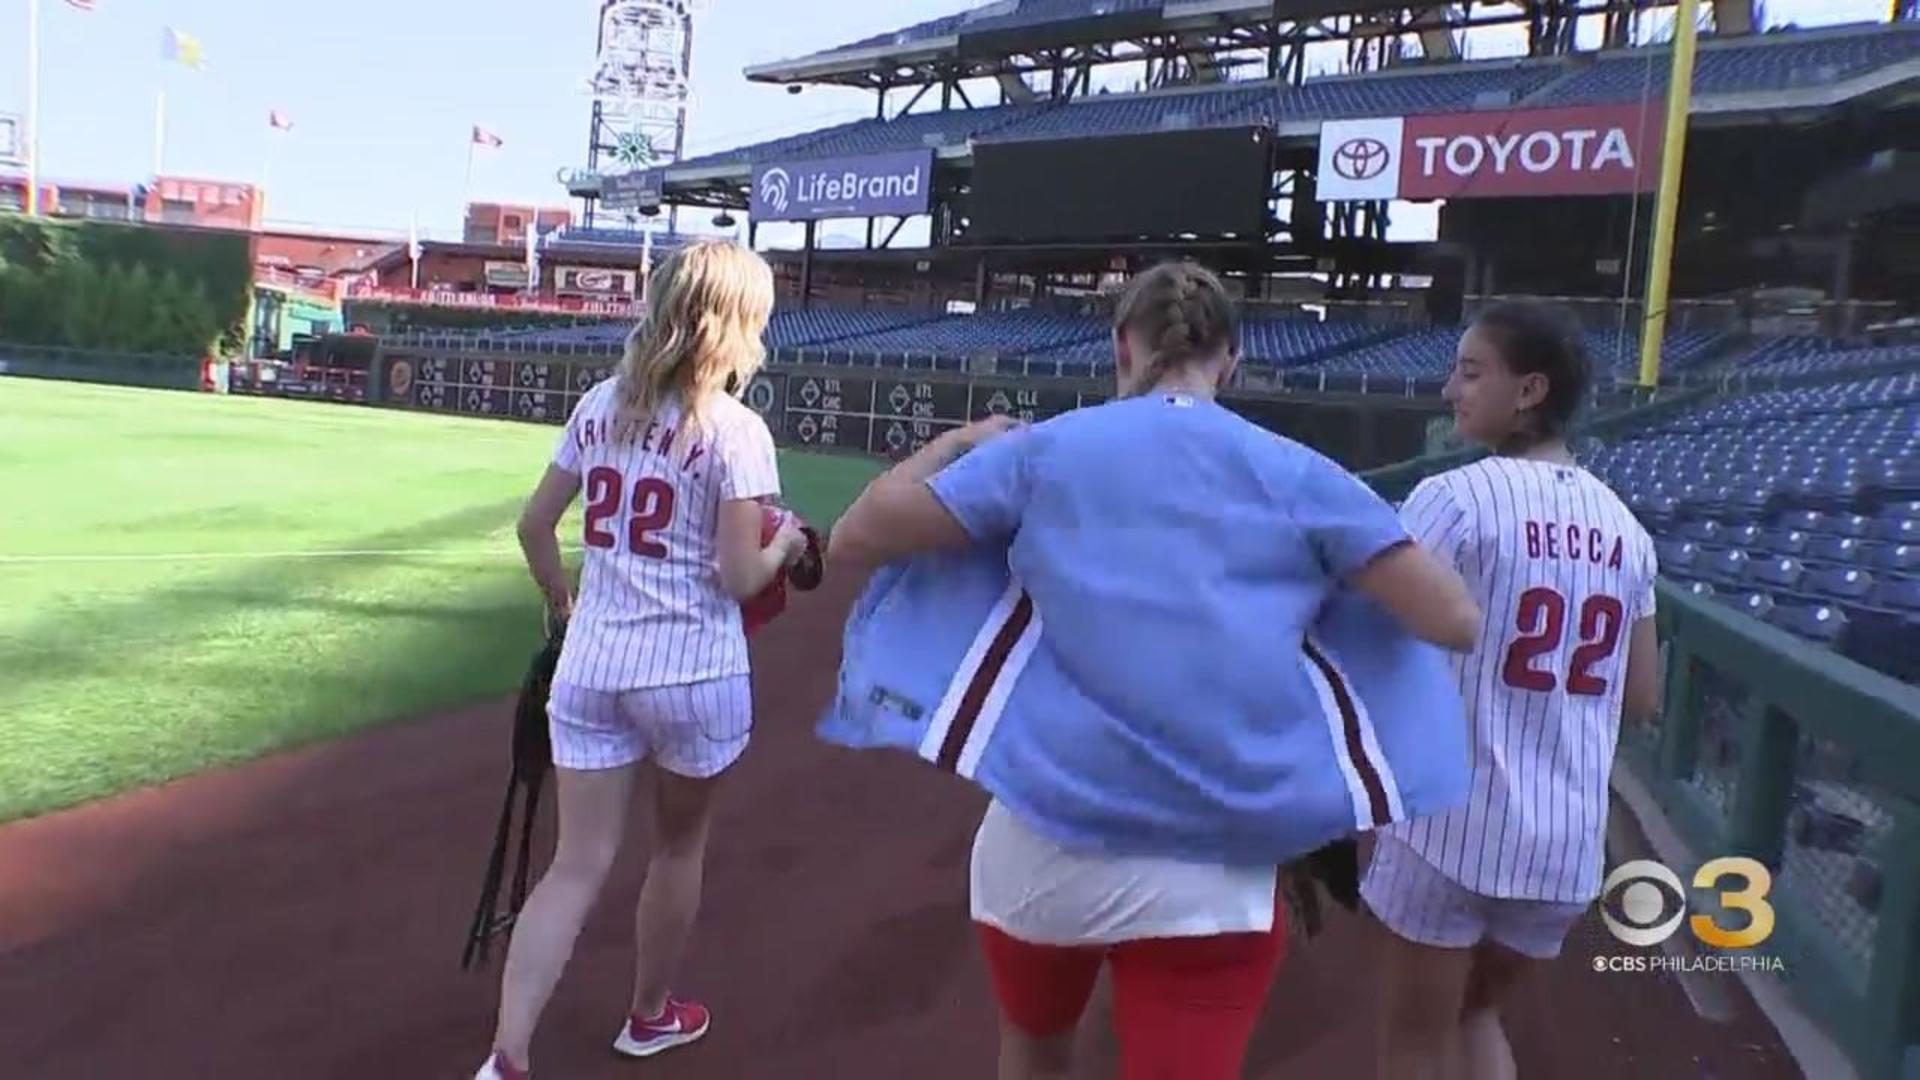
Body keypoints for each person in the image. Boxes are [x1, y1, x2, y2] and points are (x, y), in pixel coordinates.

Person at [826, 261, 1483, 1080]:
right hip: (1216, 863)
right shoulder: (1300, 472)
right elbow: (1452, 619)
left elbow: (854, 538)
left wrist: (957, 442)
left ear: (1121, 347)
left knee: (1033, 1055)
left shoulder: (1043, 452)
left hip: (1041, 846)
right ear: (1231, 359)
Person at [473, 239, 809, 1080]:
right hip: (694, 670)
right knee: (676, 848)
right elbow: (740, 575)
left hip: (592, 666)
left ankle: (506, 1058)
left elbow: (532, 526)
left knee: (573, 865)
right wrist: (792, 543)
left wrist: (563, 603)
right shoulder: (736, 430)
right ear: (737, 326)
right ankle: (649, 1018)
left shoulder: (600, 405)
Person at [1360, 300, 1663, 1080]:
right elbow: (1641, 699)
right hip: (1562, 846)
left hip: (1449, 826)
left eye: (1470, 371)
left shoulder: (1457, 498)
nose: (1449, 390)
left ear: (1529, 390)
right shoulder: (1628, 531)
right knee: (1477, 1019)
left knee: (1414, 1044)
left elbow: (1373, 627)